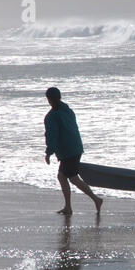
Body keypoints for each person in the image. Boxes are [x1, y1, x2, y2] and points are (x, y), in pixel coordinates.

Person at [44, 87, 103, 215]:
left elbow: (52, 135)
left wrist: (49, 152)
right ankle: (68, 207)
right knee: (62, 176)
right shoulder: (68, 111)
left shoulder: (51, 116)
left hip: (68, 150)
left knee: (73, 178)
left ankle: (96, 199)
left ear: (49, 99)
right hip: (76, 147)